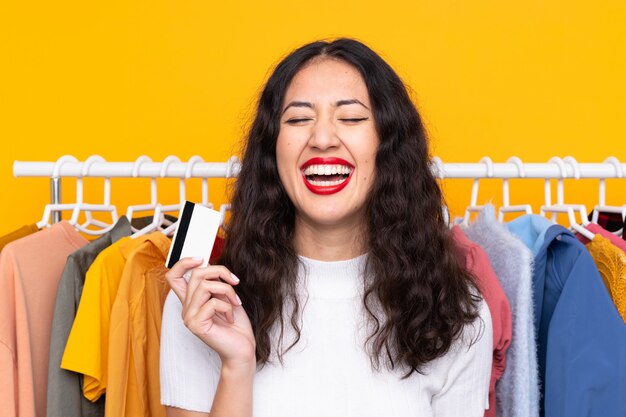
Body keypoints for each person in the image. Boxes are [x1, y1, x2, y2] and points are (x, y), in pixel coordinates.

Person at [160, 38, 493, 417]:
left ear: (389, 144)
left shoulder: (454, 310)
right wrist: (237, 367)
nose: (321, 139)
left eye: (350, 118)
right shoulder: (205, 304)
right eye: (299, 119)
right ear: (272, 149)